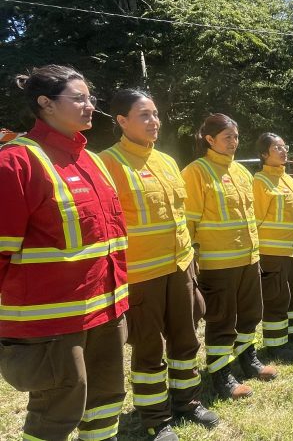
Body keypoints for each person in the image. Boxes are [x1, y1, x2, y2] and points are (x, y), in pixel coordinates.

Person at [0, 65, 128, 441]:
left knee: (106, 400)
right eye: (80, 98)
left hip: (107, 311)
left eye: (91, 98)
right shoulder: (16, 162)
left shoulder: (93, 161)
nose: (91, 106)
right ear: (46, 103)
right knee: (57, 411)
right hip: (51, 321)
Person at [99, 89, 218, 440]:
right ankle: (155, 417)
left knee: (186, 339)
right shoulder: (108, 164)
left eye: (155, 114)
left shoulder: (167, 161)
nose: (154, 121)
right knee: (149, 348)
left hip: (180, 268)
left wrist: (189, 262)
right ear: (122, 121)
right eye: (144, 115)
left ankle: (188, 401)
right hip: (141, 275)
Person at [182, 113, 277, 400]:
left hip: (249, 259)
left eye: (235, 137)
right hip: (217, 263)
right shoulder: (196, 172)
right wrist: (193, 262)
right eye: (227, 137)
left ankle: (248, 357)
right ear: (209, 139)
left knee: (250, 313)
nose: (233, 142)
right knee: (222, 320)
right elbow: (188, 223)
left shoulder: (241, 173)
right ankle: (221, 373)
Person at [254, 132, 293, 361]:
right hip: (272, 251)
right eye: (277, 148)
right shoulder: (260, 182)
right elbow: (255, 219)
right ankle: (276, 344)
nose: (283, 151)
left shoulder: (288, 179)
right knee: (276, 295)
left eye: (284, 146)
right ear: (264, 154)